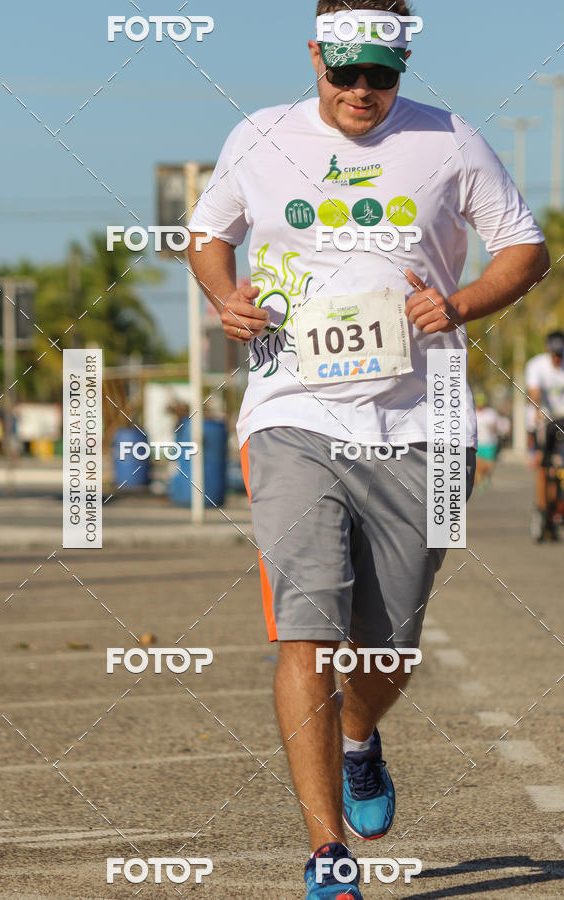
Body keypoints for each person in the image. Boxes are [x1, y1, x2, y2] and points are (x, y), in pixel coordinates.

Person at [188, 2, 549, 896]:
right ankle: (326, 853)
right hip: (290, 413)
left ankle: (359, 736)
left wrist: (459, 303)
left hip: (420, 422)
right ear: (314, 55)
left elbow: (526, 250)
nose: (360, 92)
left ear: (402, 63)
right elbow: (208, 235)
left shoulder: (452, 141)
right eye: (343, 72)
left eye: (379, 75)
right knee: (305, 627)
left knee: (387, 649)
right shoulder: (260, 135)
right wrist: (223, 295)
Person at [525, 331, 564, 535]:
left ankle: (558, 507)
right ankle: (542, 509)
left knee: (559, 467)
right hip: (544, 420)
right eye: (555, 354)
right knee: (543, 465)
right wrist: (537, 408)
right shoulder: (536, 365)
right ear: (548, 350)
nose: (557, 358)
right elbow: (534, 391)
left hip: (563, 419)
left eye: (561, 354)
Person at [474, 393, 510, 490]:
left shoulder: (491, 413)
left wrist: (494, 428)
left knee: (489, 465)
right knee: (478, 463)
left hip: (490, 442)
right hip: (478, 442)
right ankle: (480, 478)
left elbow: (498, 426)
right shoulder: (472, 412)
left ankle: (485, 476)